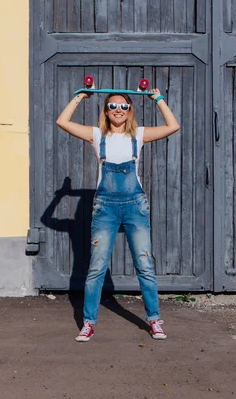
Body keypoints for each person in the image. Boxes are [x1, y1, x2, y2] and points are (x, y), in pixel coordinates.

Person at [56, 87, 180, 342]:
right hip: (105, 208)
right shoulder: (96, 135)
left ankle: (154, 319)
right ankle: (88, 323)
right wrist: (81, 95)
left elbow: (172, 126)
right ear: (105, 111)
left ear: (130, 111)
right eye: (112, 106)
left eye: (124, 106)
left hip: (135, 206)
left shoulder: (140, 135)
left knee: (145, 265)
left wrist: (157, 99)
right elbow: (62, 121)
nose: (118, 110)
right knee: (97, 267)